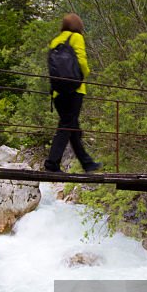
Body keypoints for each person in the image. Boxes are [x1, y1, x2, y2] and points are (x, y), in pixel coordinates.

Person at [44, 14, 102, 173]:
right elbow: (82, 61)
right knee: (67, 125)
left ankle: (87, 163)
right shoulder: (76, 37)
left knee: (72, 127)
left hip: (58, 92)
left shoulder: (55, 41)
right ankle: (52, 163)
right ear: (78, 25)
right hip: (74, 89)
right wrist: (85, 74)